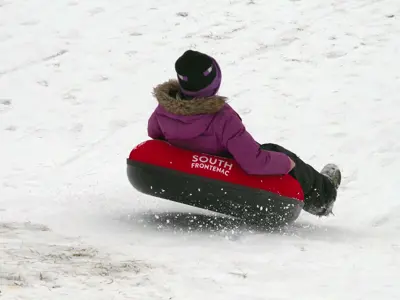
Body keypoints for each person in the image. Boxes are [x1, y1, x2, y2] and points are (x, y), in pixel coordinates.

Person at [147, 50, 341, 217]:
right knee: (276, 152)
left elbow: (154, 133)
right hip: (227, 165)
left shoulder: (164, 111)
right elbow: (254, 161)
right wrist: (286, 163)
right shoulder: (222, 118)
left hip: (197, 165)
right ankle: (324, 196)